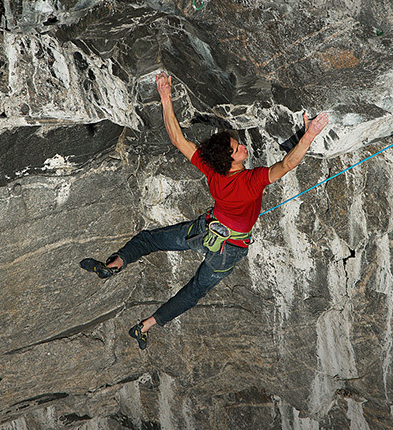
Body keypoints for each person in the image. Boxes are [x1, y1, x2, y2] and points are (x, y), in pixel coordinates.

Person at [80, 72, 329, 349]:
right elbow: (286, 165)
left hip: (204, 232)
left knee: (149, 240)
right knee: (195, 290)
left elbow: (177, 139)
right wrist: (309, 135)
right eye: (238, 148)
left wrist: (165, 96)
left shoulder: (213, 170)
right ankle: (146, 325)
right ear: (230, 159)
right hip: (228, 248)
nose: (243, 147)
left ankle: (114, 265)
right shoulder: (250, 181)